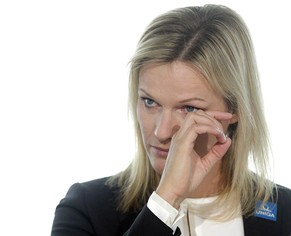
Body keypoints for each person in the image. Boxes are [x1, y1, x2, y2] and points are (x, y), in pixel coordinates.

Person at [51, 4, 291, 236]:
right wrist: (165, 200)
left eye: (189, 108)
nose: (162, 132)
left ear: (236, 108)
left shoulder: (285, 212)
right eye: (149, 102)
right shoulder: (86, 208)